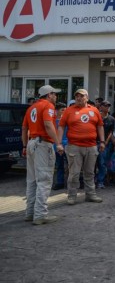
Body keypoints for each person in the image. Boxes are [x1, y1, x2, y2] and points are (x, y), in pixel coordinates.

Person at [22, 85, 63, 225]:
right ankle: (40, 215)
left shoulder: (31, 108)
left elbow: (24, 128)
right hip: (43, 144)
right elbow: (48, 125)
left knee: (32, 180)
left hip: (32, 143)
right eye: (54, 94)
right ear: (49, 95)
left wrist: (24, 145)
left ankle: (30, 212)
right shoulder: (48, 106)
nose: (55, 97)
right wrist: (58, 143)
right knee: (44, 180)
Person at [58, 88, 104, 205]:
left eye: (81, 96)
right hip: (74, 146)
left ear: (87, 98)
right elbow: (61, 126)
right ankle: (72, 196)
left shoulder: (94, 110)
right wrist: (59, 143)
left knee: (90, 172)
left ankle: (90, 195)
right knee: (74, 173)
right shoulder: (68, 111)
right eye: (77, 96)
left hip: (91, 146)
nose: (79, 98)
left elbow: (100, 126)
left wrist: (102, 141)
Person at [96, 101, 115, 189]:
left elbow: (111, 131)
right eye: (105, 105)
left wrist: (106, 141)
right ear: (101, 107)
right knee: (92, 163)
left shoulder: (111, 119)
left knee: (102, 163)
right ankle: (91, 180)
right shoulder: (96, 116)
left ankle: (100, 181)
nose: (107, 107)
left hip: (105, 144)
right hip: (94, 142)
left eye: (108, 106)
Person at [52, 102, 68, 191]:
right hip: (56, 146)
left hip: (68, 145)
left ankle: (71, 182)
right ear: (56, 111)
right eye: (62, 110)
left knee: (71, 165)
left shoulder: (67, 121)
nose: (64, 112)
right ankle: (60, 182)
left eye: (65, 110)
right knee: (59, 165)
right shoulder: (52, 122)